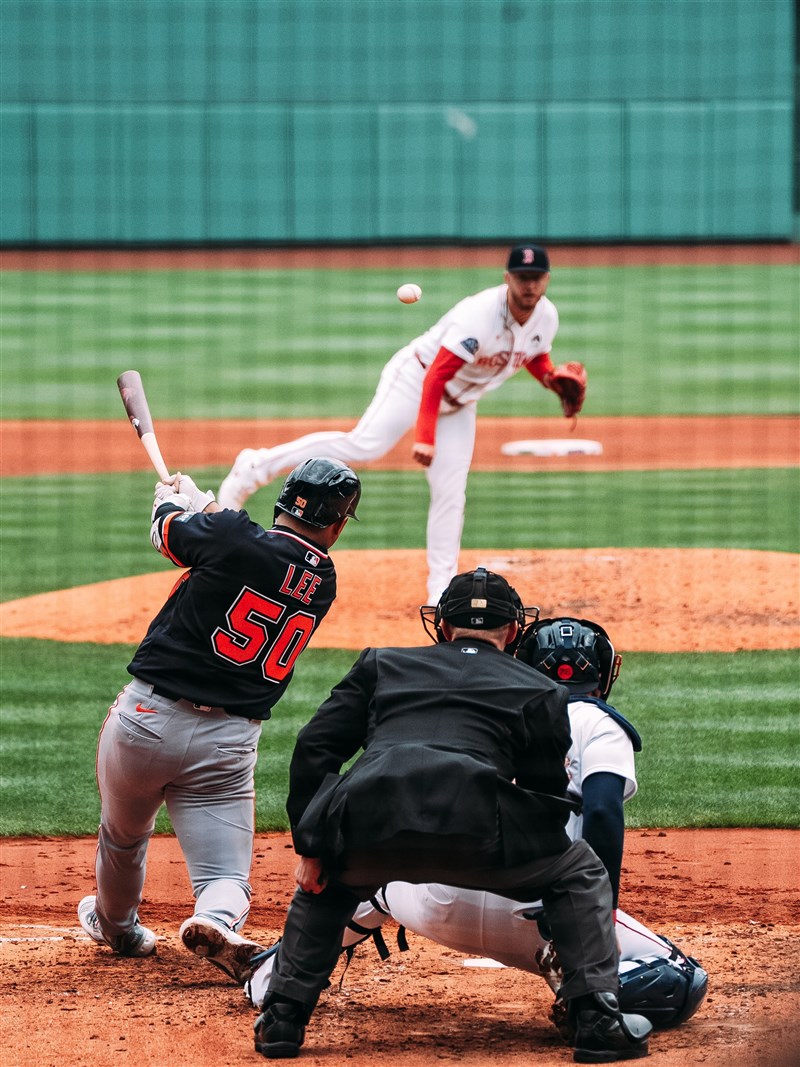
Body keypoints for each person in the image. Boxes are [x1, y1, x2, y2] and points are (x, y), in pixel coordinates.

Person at [252, 569, 652, 1062]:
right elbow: (544, 789)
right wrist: (540, 862)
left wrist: (313, 846)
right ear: (512, 633)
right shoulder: (538, 689)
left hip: (369, 820)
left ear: (442, 627)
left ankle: (282, 1020)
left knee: (325, 884)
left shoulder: (380, 664)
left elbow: (315, 748)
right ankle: (595, 1020)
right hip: (478, 827)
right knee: (581, 870)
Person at [77, 457, 361, 985]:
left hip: (145, 722)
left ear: (283, 498)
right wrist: (204, 505)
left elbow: (168, 533)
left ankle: (118, 928)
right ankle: (213, 919)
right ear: (338, 525)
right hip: (227, 744)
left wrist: (172, 501)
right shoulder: (323, 582)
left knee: (122, 836)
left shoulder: (231, 535)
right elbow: (252, 547)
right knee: (227, 876)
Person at [218, 244, 586, 604]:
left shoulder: (546, 316)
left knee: (451, 490)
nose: (529, 285)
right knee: (366, 445)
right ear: (507, 278)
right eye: (522, 277)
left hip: (460, 404)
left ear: (547, 279)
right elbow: (437, 376)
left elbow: (534, 353)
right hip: (416, 377)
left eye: (536, 277)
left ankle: (440, 590)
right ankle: (255, 466)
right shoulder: (479, 315)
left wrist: (552, 380)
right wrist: (425, 437)